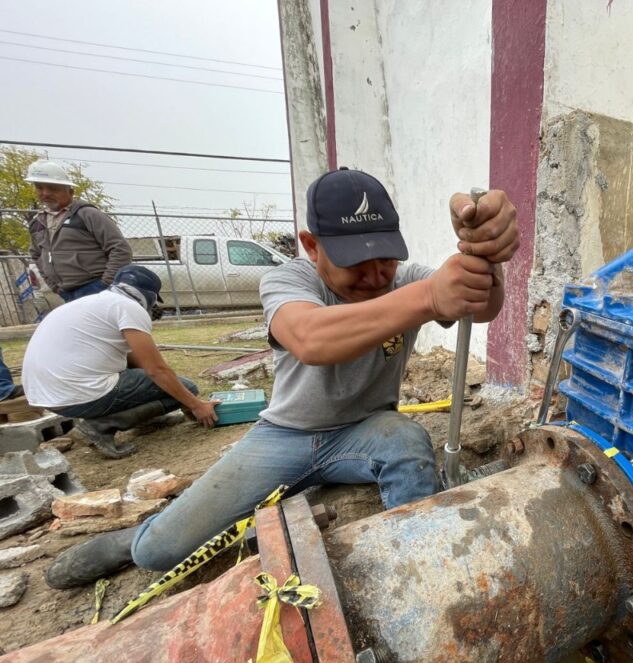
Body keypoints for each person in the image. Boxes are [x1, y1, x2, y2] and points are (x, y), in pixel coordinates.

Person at [46, 168, 518, 589]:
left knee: (406, 442)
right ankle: (137, 536)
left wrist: (486, 261)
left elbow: (483, 307)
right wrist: (429, 298)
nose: (376, 276)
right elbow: (311, 340)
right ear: (311, 246)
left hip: (366, 431)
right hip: (286, 437)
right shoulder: (288, 281)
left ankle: (416, 572)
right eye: (357, 263)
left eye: (386, 261)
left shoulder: (407, 280)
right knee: (158, 554)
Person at [23, 264, 220, 461]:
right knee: (187, 388)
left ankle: (146, 421)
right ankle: (98, 427)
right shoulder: (128, 307)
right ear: (149, 295)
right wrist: (194, 404)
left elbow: (132, 360)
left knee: (168, 385)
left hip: (46, 397)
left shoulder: (92, 303)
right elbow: (156, 370)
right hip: (79, 393)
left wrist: (167, 386)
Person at [25, 160, 132, 302]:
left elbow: (120, 249)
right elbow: (36, 255)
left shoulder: (87, 214)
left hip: (95, 287)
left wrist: (105, 283)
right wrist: (53, 285)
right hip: (66, 292)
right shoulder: (37, 222)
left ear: (70, 191)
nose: (45, 193)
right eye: (39, 188)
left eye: (53, 188)